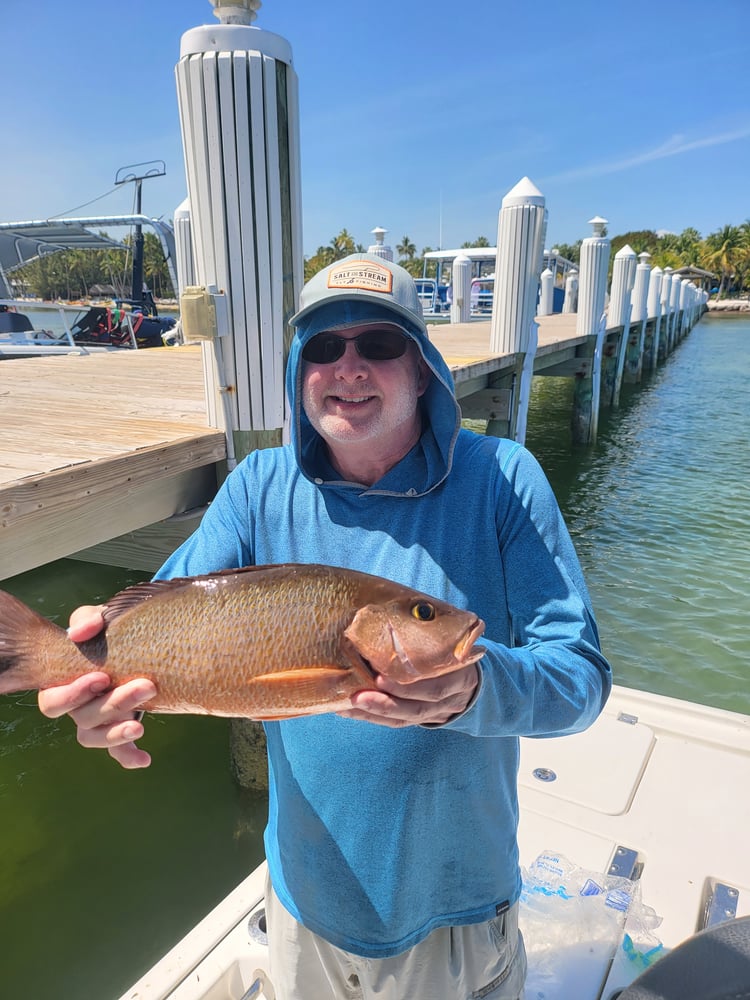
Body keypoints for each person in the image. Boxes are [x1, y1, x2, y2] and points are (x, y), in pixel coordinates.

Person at [39, 253, 612, 999]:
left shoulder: (503, 480)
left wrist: (473, 688)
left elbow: (581, 681)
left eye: (378, 344)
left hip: (453, 910)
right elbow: (161, 623)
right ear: (297, 369)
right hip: (301, 899)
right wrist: (92, 685)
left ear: (423, 366)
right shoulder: (257, 486)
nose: (349, 368)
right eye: (322, 347)